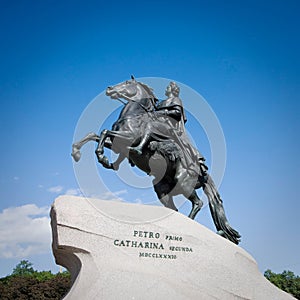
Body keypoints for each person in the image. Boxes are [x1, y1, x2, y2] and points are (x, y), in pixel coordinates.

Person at [128, 82, 207, 175]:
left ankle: (139, 147)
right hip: (159, 125)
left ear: (173, 90)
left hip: (168, 128)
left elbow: (177, 113)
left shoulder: (176, 100)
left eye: (168, 87)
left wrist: (163, 112)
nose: (166, 89)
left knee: (150, 126)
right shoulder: (162, 102)